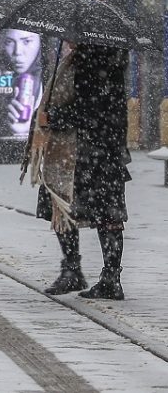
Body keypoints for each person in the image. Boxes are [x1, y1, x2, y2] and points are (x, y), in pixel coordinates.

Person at [33, 43, 130, 300]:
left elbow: (90, 110)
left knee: (66, 206)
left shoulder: (93, 58)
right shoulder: (105, 57)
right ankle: (105, 276)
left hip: (84, 151)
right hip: (103, 150)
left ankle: (80, 271)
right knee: (104, 213)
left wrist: (53, 116)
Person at [0, 28, 43, 140]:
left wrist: (27, 131)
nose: (17, 51)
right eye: (9, 42)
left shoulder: (54, 79)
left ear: (41, 41)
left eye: (26, 41)